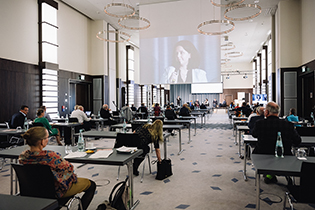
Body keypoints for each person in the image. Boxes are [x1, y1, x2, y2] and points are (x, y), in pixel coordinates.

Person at [19, 127, 96, 210]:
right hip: (55, 192)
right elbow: (69, 169)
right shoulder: (51, 157)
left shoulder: (23, 157)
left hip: (32, 190)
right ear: (42, 141)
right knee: (91, 185)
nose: (48, 139)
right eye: (47, 137)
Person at [252, 102, 301, 183]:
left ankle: (269, 174)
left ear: (266, 112)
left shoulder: (260, 124)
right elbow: (297, 141)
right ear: (278, 113)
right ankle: (272, 175)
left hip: (262, 156)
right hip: (284, 156)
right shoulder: (288, 125)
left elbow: (254, 135)